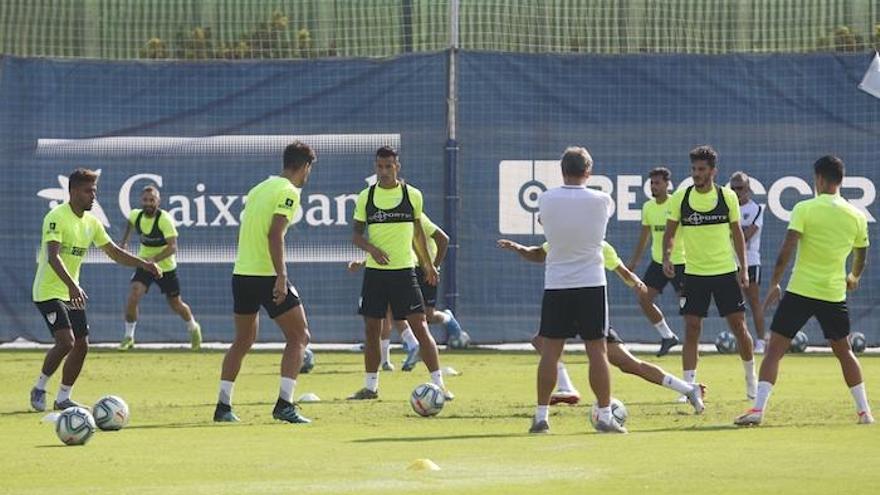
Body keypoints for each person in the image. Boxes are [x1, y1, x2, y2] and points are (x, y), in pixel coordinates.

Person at [735, 155, 874, 426]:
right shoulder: (857, 216)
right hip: (833, 294)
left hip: (800, 291)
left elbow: (787, 249)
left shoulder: (805, 208)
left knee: (774, 350)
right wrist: (854, 276)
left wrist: (775, 282)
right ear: (840, 180)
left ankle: (758, 410)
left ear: (819, 179)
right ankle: (865, 412)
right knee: (844, 351)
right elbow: (862, 255)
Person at [498, 238, 705, 414]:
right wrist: (518, 248)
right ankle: (566, 387)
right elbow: (538, 254)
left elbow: (622, 270)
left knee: (629, 364)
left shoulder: (599, 244)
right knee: (540, 341)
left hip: (590, 309)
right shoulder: (559, 240)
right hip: (567, 305)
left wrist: (636, 283)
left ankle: (688, 389)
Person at [30, 168, 162, 411]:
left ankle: (63, 397)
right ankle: (39, 388)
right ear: (73, 191)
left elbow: (114, 252)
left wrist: (145, 264)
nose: (93, 196)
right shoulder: (56, 217)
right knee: (66, 342)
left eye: (95, 191)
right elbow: (53, 257)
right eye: (88, 191)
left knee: (82, 344)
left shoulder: (92, 222)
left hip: (72, 290)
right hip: (49, 291)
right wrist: (72, 286)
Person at [213, 141, 316, 424]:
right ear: (304, 166)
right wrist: (281, 276)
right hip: (266, 275)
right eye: (309, 169)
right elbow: (274, 234)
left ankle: (223, 407)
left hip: (242, 273)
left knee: (243, 340)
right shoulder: (289, 192)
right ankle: (285, 404)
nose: (308, 176)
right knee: (300, 336)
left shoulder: (259, 188)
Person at [529, 146, 624, 434]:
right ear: (589, 171)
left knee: (550, 352)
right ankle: (605, 416)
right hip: (591, 284)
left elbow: (545, 221)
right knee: (597, 351)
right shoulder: (603, 199)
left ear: (562, 170)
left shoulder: (546, 198)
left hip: (557, 283)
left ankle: (541, 416)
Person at [348, 146, 452, 401]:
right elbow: (356, 236)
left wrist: (428, 265)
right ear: (375, 167)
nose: (383, 171)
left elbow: (418, 233)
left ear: (397, 167)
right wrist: (372, 249)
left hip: (405, 272)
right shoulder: (366, 197)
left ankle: (440, 386)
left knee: (420, 326)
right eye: (379, 166)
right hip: (375, 274)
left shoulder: (412, 195)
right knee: (372, 329)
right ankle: (370, 387)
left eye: (388, 166)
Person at [662, 146, 756, 400]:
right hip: (694, 274)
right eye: (693, 169)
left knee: (739, 327)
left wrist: (743, 269)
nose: (696, 173)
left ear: (713, 171)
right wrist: (667, 257)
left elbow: (737, 235)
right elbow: (670, 234)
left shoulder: (727, 197)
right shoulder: (680, 198)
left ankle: (752, 382)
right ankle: (688, 388)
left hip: (725, 273)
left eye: (701, 169)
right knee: (691, 328)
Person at [118, 185, 202, 351]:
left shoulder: (165, 220)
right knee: (134, 294)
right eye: (145, 200)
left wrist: (154, 260)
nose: (148, 203)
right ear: (141, 201)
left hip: (166, 268)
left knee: (176, 304)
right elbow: (129, 225)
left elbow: (173, 247)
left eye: (152, 200)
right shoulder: (136, 215)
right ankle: (129, 336)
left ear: (158, 201)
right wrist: (124, 242)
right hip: (144, 265)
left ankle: (193, 327)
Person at [626, 166, 684, 357]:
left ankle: (692, 343)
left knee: (688, 304)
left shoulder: (676, 203)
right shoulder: (648, 207)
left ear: (667, 184)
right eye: (651, 183)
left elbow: (677, 234)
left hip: (680, 262)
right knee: (644, 299)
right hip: (658, 263)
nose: (654, 186)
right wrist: (633, 262)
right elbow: (644, 237)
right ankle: (667, 336)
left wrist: (672, 257)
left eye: (657, 183)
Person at [346, 261, 422, 372]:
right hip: (401, 271)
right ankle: (410, 346)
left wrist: (361, 263)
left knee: (382, 315)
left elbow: (384, 252)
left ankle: (410, 347)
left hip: (390, 272)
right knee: (393, 315)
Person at [729, 171, 767, 354]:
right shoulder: (727, 209)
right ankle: (742, 340)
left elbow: (743, 237)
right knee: (734, 304)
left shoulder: (756, 209)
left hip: (750, 261)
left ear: (748, 189)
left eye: (740, 188)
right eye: (733, 188)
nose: (737, 192)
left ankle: (761, 340)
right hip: (729, 262)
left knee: (753, 301)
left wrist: (732, 235)